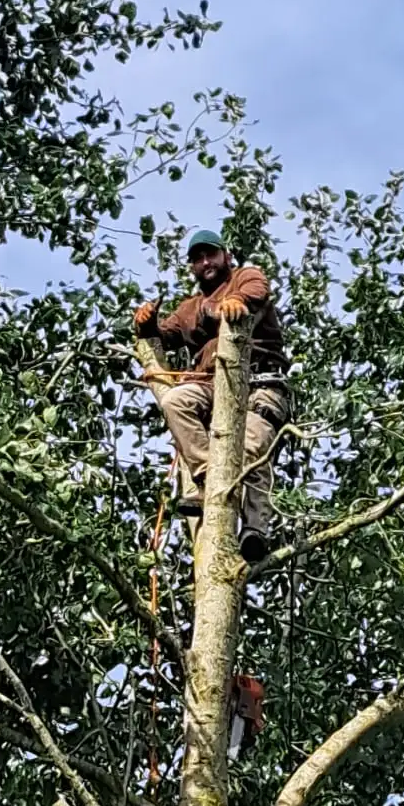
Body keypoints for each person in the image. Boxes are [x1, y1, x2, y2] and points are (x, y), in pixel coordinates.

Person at [133, 229, 290, 563]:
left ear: (225, 256)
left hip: (259, 384)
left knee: (250, 447)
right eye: (198, 258)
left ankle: (254, 531)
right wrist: (147, 325)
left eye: (211, 255)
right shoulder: (189, 308)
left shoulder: (246, 277)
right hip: (210, 385)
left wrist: (235, 305)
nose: (206, 263)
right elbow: (167, 334)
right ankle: (207, 476)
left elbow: (257, 293)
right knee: (176, 401)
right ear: (192, 266)